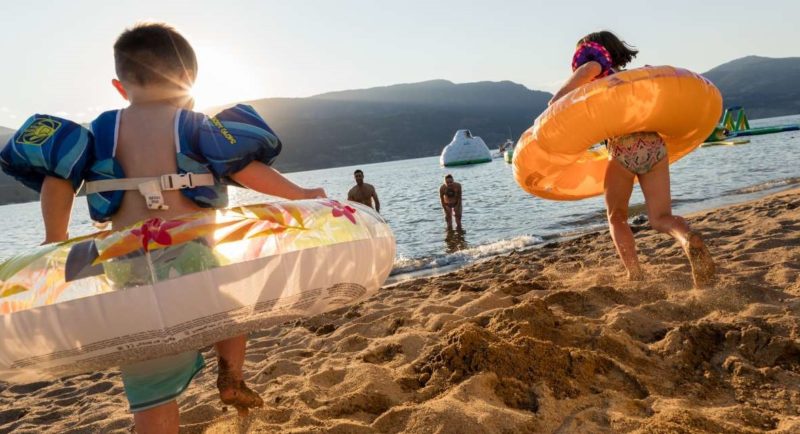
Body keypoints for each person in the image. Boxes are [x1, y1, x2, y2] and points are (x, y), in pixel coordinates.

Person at [1, 23, 325, 433]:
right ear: (188, 80)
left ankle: (154, 421)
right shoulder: (195, 126)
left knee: (149, 375)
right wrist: (300, 195)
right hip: (193, 253)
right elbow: (245, 168)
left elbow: (58, 180)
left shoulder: (99, 131)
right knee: (232, 309)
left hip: (126, 265)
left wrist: (54, 240)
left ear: (120, 87)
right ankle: (231, 376)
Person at [548, 30, 715, 288]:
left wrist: (554, 103)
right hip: (654, 146)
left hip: (623, 149)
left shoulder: (594, 69)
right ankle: (686, 237)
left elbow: (571, 88)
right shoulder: (628, 81)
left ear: (595, 51)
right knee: (660, 218)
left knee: (617, 217)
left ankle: (634, 273)